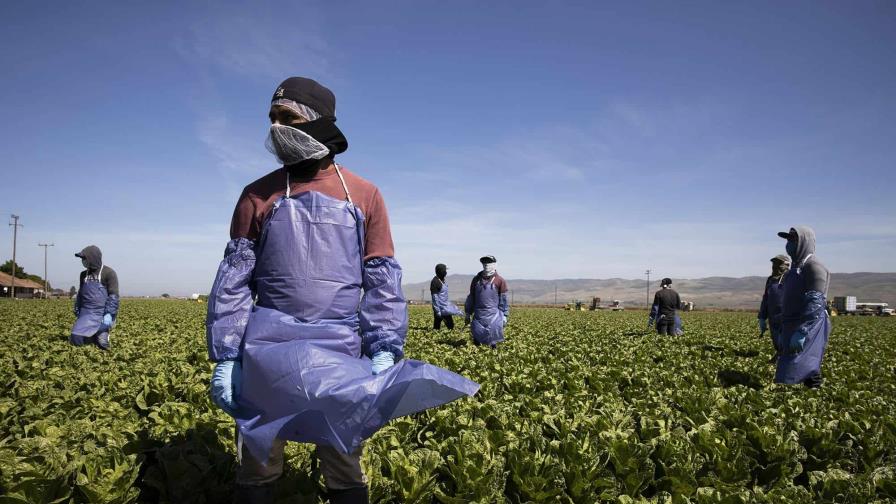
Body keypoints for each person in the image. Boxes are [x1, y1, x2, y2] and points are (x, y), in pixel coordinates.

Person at [205, 77, 478, 504]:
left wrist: (384, 344)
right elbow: (233, 283)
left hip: (340, 347)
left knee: (344, 455)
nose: (276, 128)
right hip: (266, 349)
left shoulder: (365, 196)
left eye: (288, 117)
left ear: (319, 121)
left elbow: (382, 279)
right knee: (258, 459)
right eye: (272, 118)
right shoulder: (256, 196)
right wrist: (226, 356)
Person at [775, 226, 830, 388]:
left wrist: (803, 330)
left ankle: (813, 396)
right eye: (788, 240)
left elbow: (815, 302)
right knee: (799, 365)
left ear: (804, 242)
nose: (789, 244)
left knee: (801, 365)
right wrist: (781, 328)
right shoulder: (794, 269)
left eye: (793, 240)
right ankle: (811, 393)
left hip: (807, 324)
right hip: (790, 324)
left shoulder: (813, 266)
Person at [70, 245, 119, 350]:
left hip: (102, 314)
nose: (83, 261)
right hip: (86, 314)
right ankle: (92, 335)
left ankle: (102, 332)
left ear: (93, 258)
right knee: (75, 339)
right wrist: (77, 306)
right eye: (82, 258)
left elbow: (113, 296)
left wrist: (109, 314)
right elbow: (81, 293)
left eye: (84, 258)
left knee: (102, 344)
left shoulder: (109, 273)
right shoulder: (83, 274)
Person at [464, 255, 509, 347]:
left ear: (494, 264)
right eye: (484, 263)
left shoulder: (500, 281)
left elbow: (503, 300)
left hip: (493, 317)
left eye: (489, 263)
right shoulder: (476, 280)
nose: (486, 265)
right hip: (478, 316)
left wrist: (504, 315)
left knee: (492, 341)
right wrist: (468, 313)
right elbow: (471, 297)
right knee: (477, 339)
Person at [758, 254, 791, 358]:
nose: (776, 267)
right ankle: (779, 355)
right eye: (774, 264)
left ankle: (784, 359)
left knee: (785, 341)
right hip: (773, 317)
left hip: (786, 316)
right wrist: (762, 317)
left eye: (779, 264)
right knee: (776, 341)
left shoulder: (791, 278)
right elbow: (765, 298)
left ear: (787, 265)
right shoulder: (770, 280)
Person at [431, 263, 462, 329]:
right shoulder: (435, 282)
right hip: (440, 308)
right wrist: (437, 311)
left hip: (445, 307)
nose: (446, 272)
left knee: (448, 325)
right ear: (441, 271)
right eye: (445, 270)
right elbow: (434, 297)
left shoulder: (442, 280)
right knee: (441, 325)